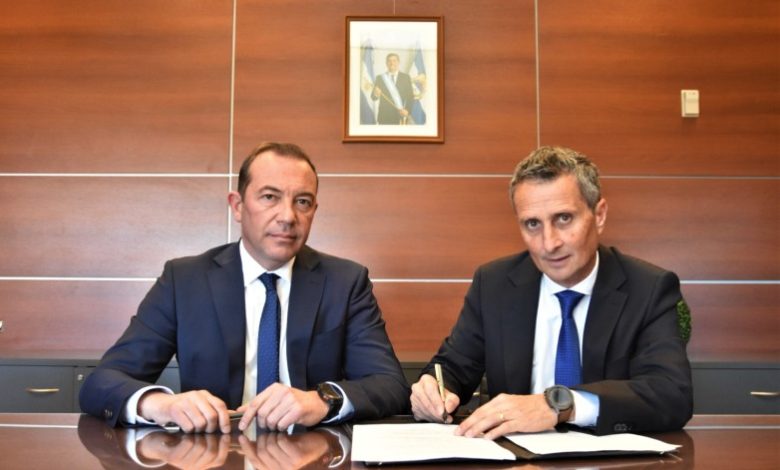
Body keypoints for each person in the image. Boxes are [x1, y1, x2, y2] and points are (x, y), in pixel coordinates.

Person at [80, 142, 410, 433]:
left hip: (312, 453)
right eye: (270, 197)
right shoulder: (185, 280)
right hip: (214, 453)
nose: (287, 216)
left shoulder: (345, 282)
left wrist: (322, 400)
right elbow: (102, 382)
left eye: (303, 202)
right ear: (237, 206)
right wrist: (163, 405)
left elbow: (390, 386)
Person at [410, 146, 693, 438]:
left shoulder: (648, 288)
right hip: (517, 454)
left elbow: (670, 394)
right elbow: (452, 368)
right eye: (533, 224)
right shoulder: (494, 284)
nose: (549, 243)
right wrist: (433, 390)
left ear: (599, 215)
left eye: (564, 218)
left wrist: (561, 405)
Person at [372, 53, 415, 124]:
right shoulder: (380, 78)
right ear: (386, 63)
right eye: (389, 61)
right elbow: (373, 98)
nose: (392, 63)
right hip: (384, 117)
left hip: (400, 115)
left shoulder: (406, 77)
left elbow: (410, 97)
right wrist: (376, 94)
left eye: (394, 60)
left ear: (398, 62)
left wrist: (407, 110)